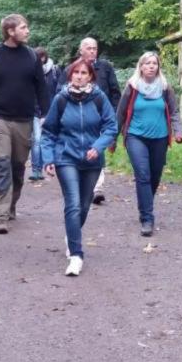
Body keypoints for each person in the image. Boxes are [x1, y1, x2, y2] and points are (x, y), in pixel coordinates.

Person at [0, 14, 50, 234]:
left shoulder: (32, 57)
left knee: (17, 167)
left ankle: (11, 204)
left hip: (24, 120)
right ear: (10, 31)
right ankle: (1, 214)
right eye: (23, 28)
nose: (28, 31)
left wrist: (46, 115)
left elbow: (41, 88)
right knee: (0, 163)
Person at [41, 58, 117, 276]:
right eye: (76, 72)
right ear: (70, 75)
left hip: (92, 160)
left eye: (84, 73)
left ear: (90, 76)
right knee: (73, 204)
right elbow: (49, 131)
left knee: (84, 206)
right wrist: (48, 158)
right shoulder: (61, 99)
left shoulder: (99, 98)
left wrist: (99, 146)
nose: (80, 76)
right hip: (66, 157)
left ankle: (71, 233)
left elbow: (111, 126)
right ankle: (76, 255)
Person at [116, 51, 182, 237]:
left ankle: (145, 204)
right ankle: (147, 218)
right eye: (147, 63)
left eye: (154, 63)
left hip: (160, 137)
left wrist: (178, 131)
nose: (151, 66)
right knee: (143, 174)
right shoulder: (132, 86)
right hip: (135, 136)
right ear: (141, 66)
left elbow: (174, 111)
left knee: (154, 176)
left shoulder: (164, 87)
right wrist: (112, 137)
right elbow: (121, 113)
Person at [76, 37, 120, 204]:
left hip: (102, 116)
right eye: (89, 48)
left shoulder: (106, 68)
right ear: (81, 50)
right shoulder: (73, 69)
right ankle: (82, 183)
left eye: (95, 48)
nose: (92, 51)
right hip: (78, 118)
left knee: (98, 148)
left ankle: (97, 188)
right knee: (81, 148)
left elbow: (115, 92)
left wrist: (114, 113)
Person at [28, 47, 62, 182]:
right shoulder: (30, 72)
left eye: (41, 57)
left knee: (49, 139)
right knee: (36, 140)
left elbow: (59, 90)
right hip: (35, 111)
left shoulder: (54, 71)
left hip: (51, 110)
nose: (39, 60)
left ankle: (49, 165)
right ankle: (36, 169)